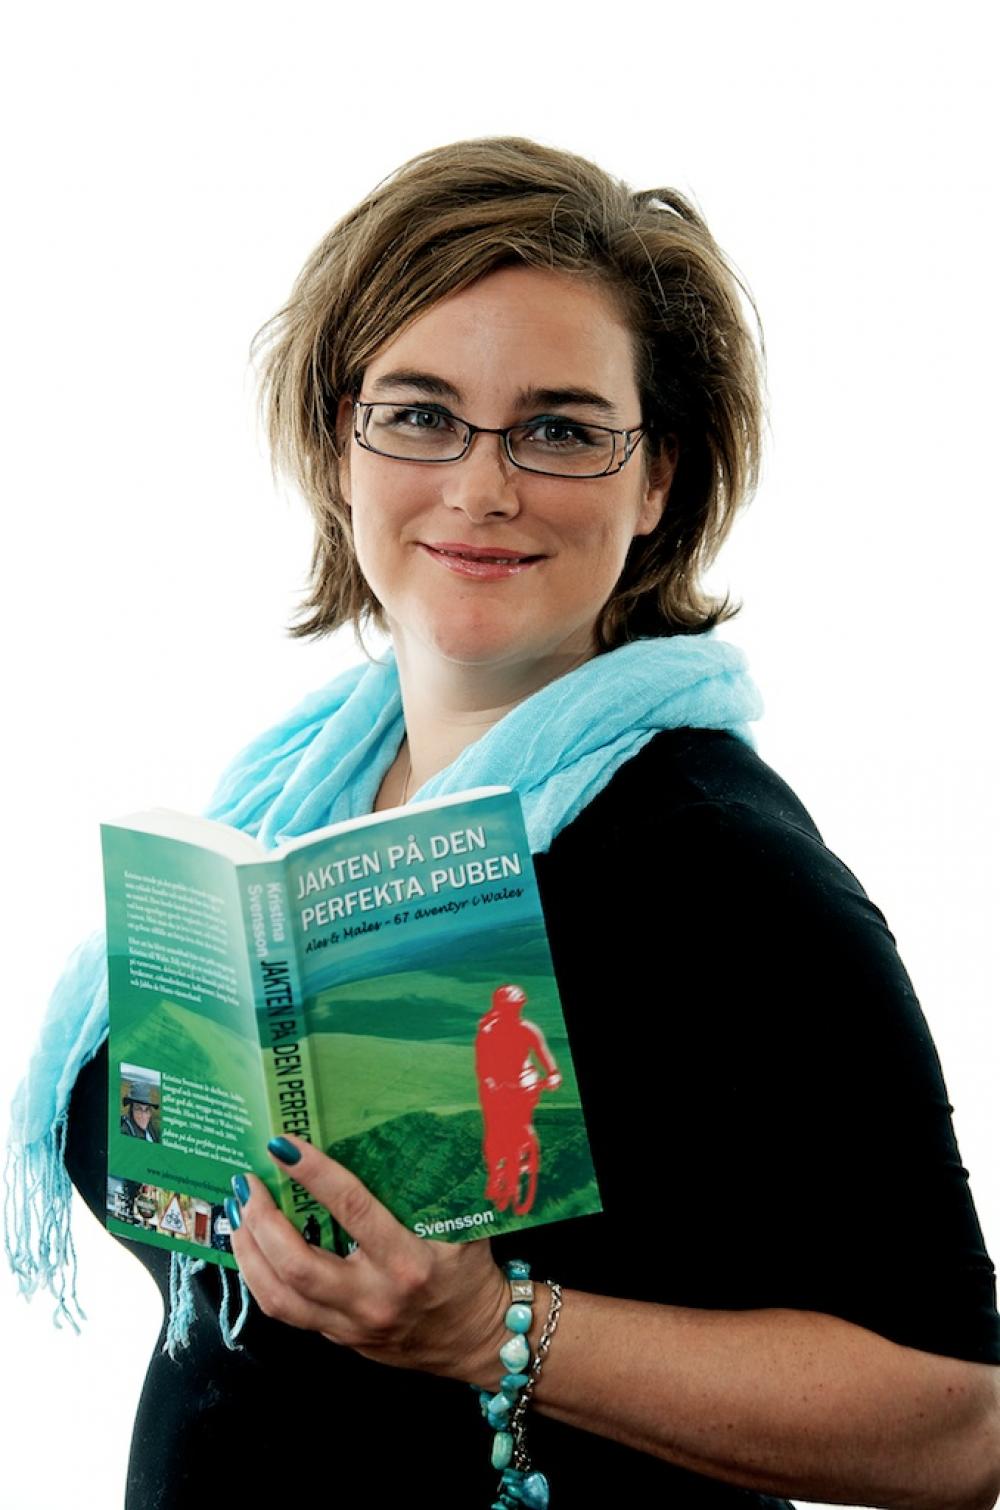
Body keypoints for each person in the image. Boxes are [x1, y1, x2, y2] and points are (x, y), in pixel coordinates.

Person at [8, 135, 1000, 1509]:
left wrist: (492, 1328)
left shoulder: (721, 863)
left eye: (560, 429)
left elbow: (961, 1424)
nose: (482, 487)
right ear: (339, 443)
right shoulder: (285, 803)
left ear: (658, 480)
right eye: (421, 414)